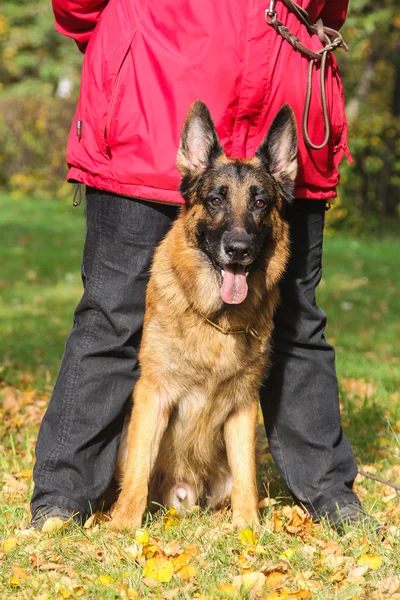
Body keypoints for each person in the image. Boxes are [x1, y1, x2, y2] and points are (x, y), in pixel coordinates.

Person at [31, 0, 369, 533]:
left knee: (298, 322)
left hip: (285, 99)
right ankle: (64, 496)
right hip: (154, 93)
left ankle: (327, 492)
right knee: (112, 312)